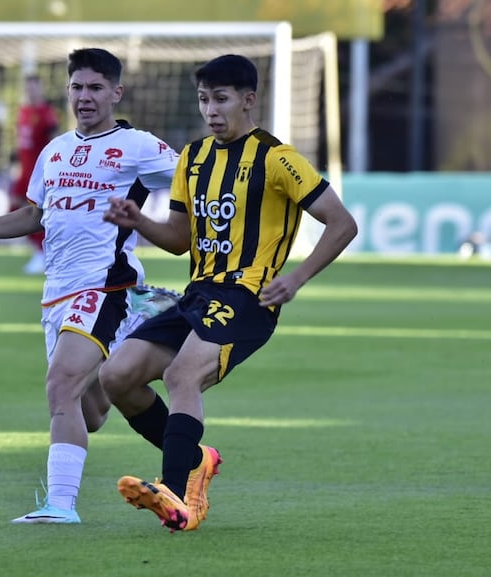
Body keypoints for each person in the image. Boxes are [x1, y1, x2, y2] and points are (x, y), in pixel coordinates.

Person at [99, 54, 358, 532]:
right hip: (197, 294)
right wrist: (141, 223)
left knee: (181, 376)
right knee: (116, 376)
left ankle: (178, 497)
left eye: (221, 99)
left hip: (250, 297)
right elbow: (180, 240)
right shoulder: (193, 158)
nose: (211, 110)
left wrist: (296, 279)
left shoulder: (278, 159)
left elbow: (342, 224)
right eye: (203, 100)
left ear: (248, 100)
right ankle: (195, 461)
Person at [0, 48, 179, 524]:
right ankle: (191, 454)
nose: (85, 97)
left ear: (116, 93)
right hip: (56, 295)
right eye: (77, 88)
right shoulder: (55, 150)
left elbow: (194, 176)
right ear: (68, 91)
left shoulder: (138, 145)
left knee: (60, 384)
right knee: (93, 411)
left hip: (104, 287)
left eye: (96, 88)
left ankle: (60, 506)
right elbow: (33, 216)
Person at [10, 74, 59, 275]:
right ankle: (40, 251)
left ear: (41, 89)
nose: (30, 91)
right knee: (14, 207)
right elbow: (19, 142)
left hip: (39, 171)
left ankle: (42, 253)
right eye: (27, 87)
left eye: (34, 87)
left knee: (35, 211)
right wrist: (13, 163)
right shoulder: (22, 112)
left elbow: (55, 140)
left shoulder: (47, 113)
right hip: (24, 170)